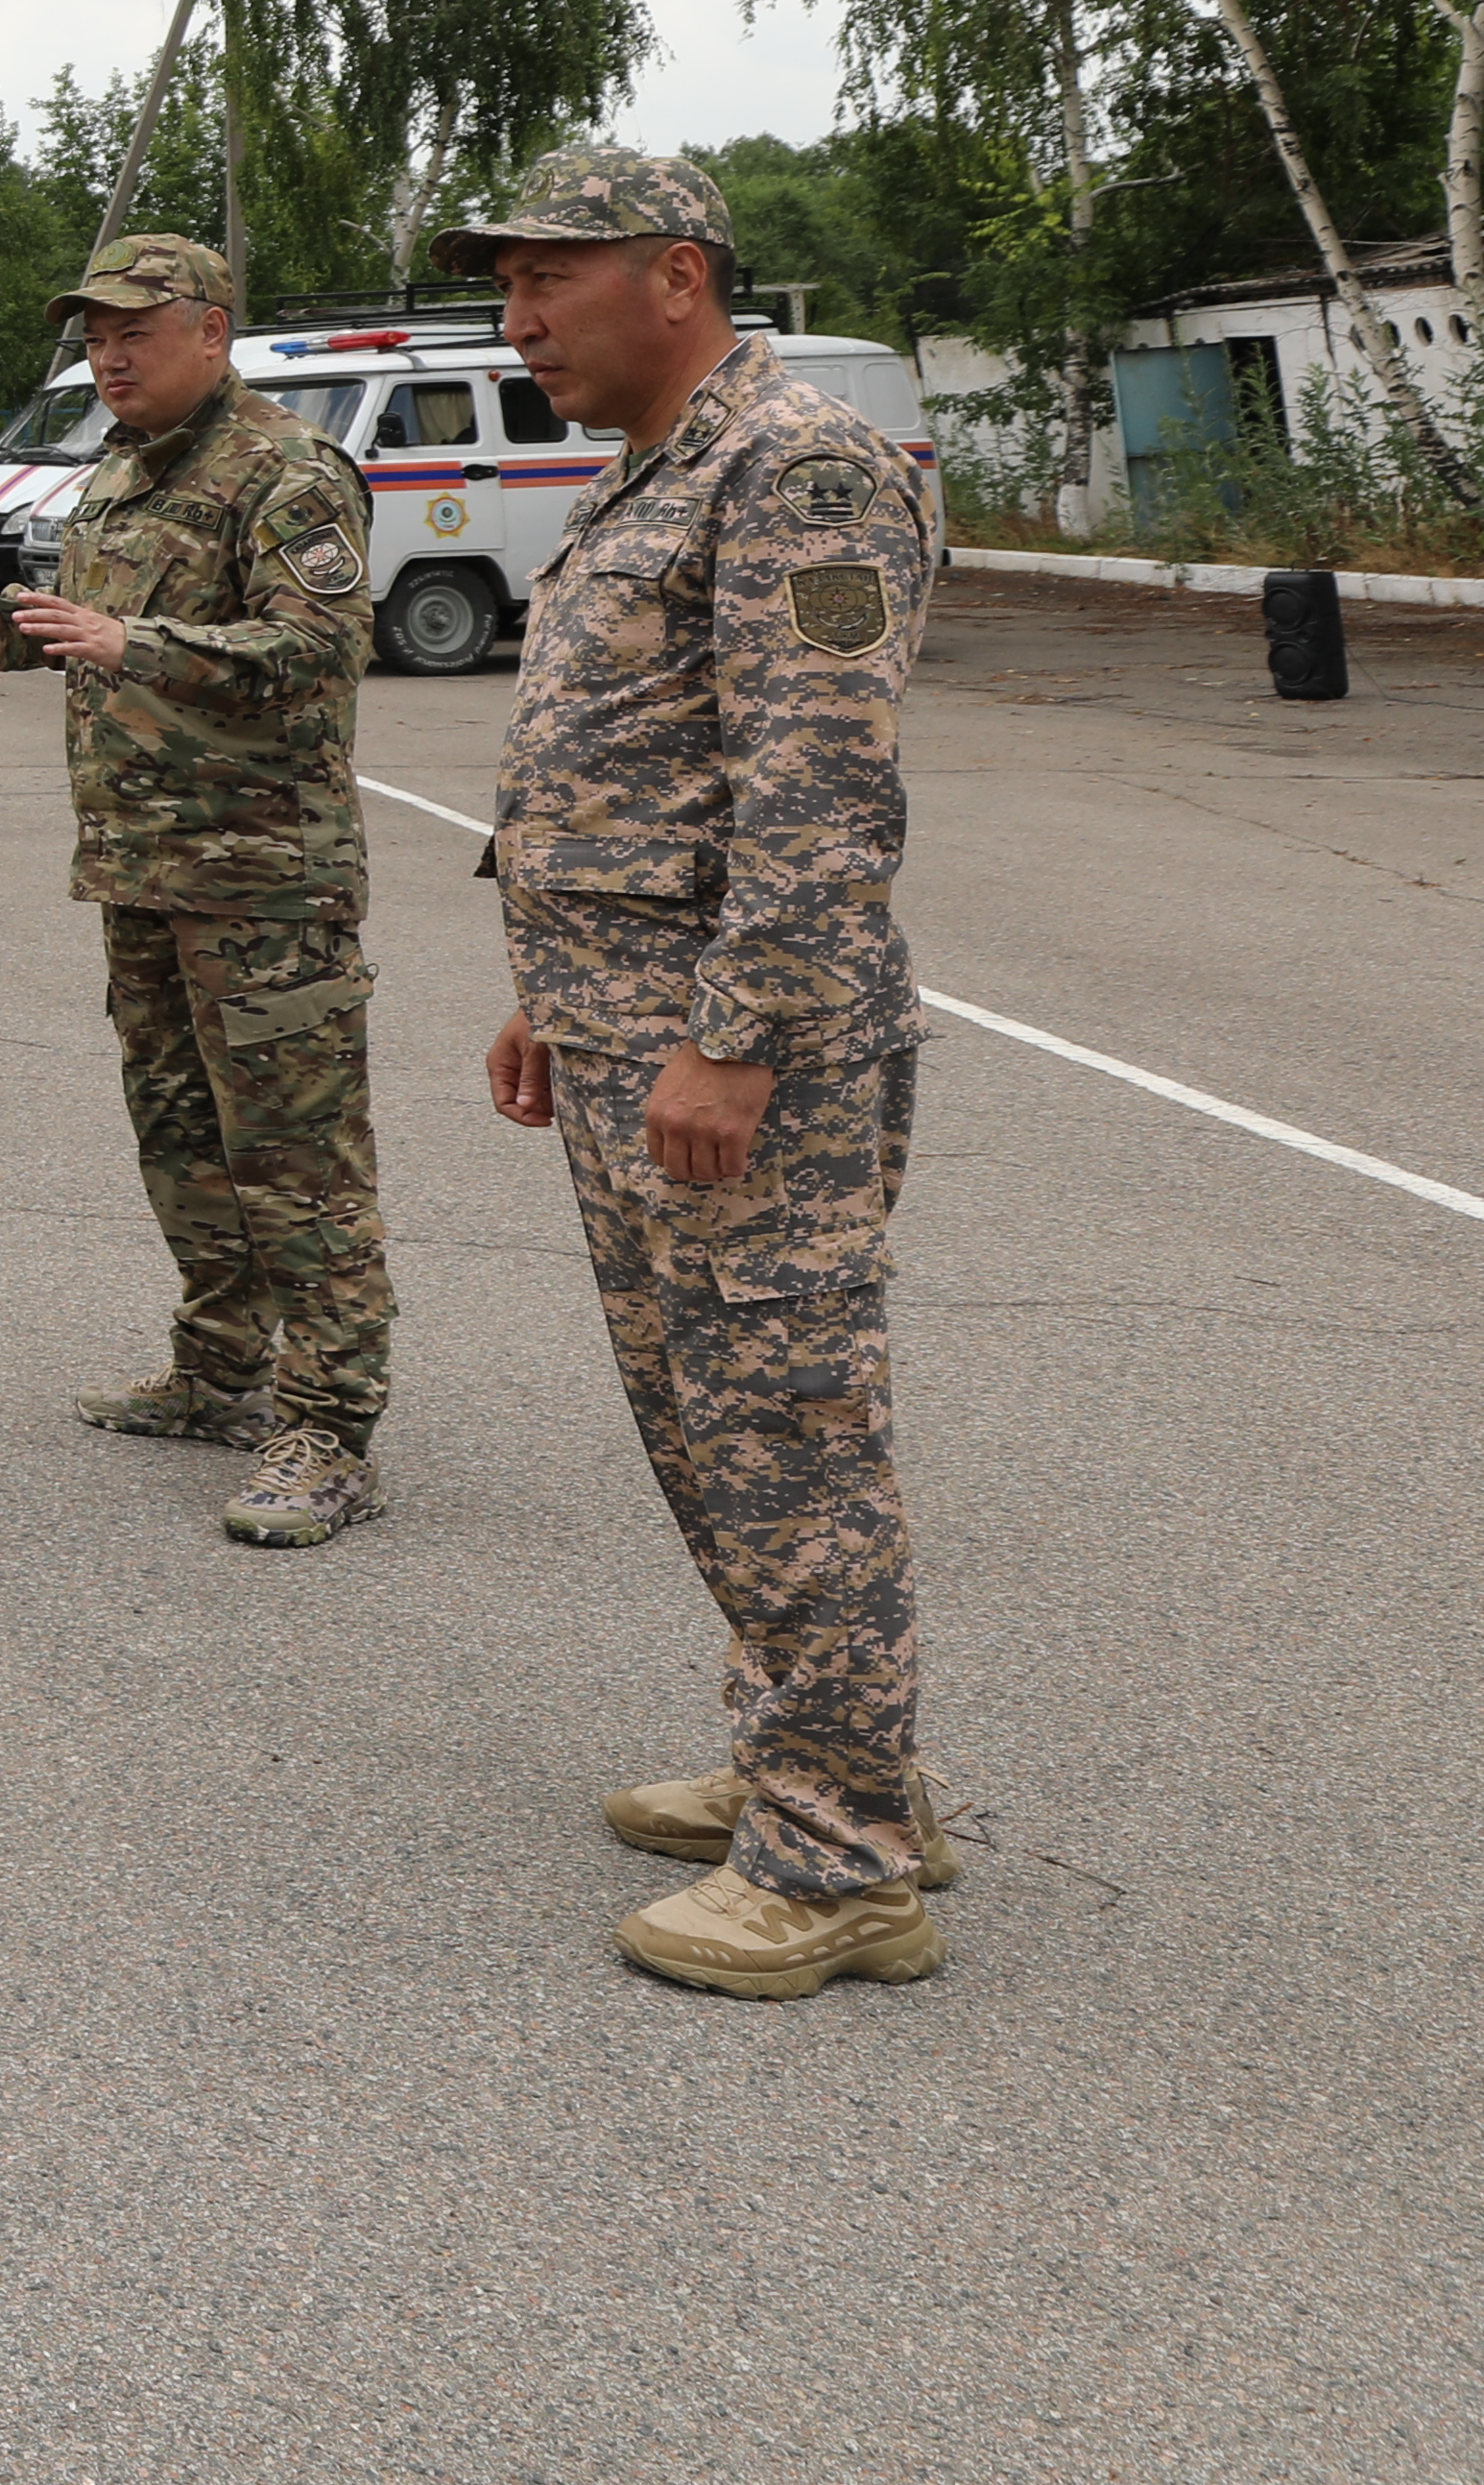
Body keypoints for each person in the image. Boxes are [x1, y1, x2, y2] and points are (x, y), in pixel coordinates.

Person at [451, 145, 958, 1999]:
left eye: (544, 286)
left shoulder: (793, 462)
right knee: (708, 1432)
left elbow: (818, 796)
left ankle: (840, 1869)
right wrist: (554, 993)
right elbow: (633, 766)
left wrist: (730, 1042)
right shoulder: (667, 467)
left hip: (751, 1059)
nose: (515, 326)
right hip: (624, 1027)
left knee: (785, 1437)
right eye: (506, 289)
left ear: (675, 275)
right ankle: (820, 1760)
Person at [0, 229, 393, 1550]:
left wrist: (141, 643)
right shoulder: (117, 478)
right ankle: (220, 1373)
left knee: (297, 1168)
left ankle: (330, 1432)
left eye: (135, 327)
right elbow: (61, 636)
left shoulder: (286, 473)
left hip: (266, 885)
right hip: (141, 870)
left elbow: (319, 653)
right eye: (95, 334)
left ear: (212, 330)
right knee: (182, 1143)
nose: (107, 354)